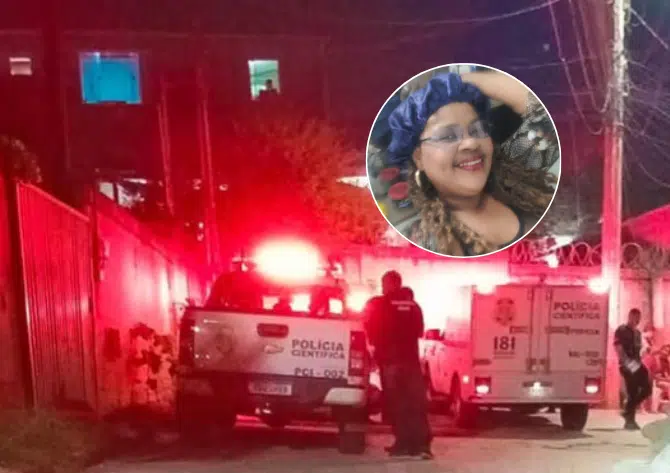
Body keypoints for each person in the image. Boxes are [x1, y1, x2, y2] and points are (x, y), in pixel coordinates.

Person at [385, 71, 558, 256]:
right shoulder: (426, 242)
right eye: (447, 136)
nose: (472, 143)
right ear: (418, 157)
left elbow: (546, 114)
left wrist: (458, 81)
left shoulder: (515, 177)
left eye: (477, 130)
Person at [364, 271, 432, 459]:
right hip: (411, 362)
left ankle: (403, 443)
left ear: (389, 284)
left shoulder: (380, 304)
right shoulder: (414, 306)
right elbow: (419, 331)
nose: (382, 288)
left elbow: (372, 329)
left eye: (384, 284)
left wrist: (378, 348)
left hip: (391, 362)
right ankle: (422, 445)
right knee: (415, 404)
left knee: (397, 405)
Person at [614, 308, 653, 430]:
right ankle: (630, 420)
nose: (637, 320)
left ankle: (628, 411)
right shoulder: (622, 330)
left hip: (637, 363)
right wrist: (626, 363)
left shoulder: (637, 333)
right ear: (630, 317)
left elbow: (638, 350)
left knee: (647, 389)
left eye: (638, 318)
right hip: (627, 364)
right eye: (635, 318)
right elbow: (618, 347)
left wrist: (644, 352)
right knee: (633, 391)